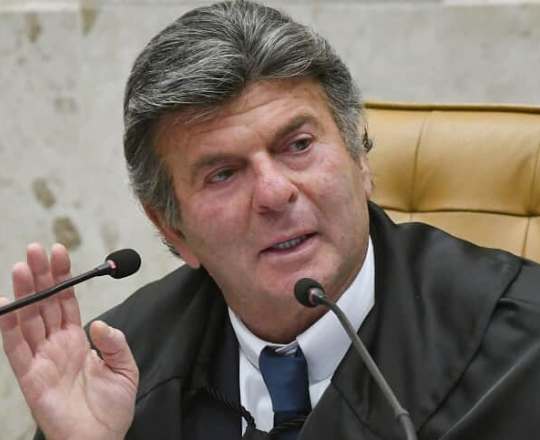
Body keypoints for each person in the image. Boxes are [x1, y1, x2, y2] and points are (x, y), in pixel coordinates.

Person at [2, 1, 540, 439]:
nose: (275, 193)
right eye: (223, 174)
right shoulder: (120, 372)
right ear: (171, 228)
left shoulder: (522, 345)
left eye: (298, 145)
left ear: (360, 159)